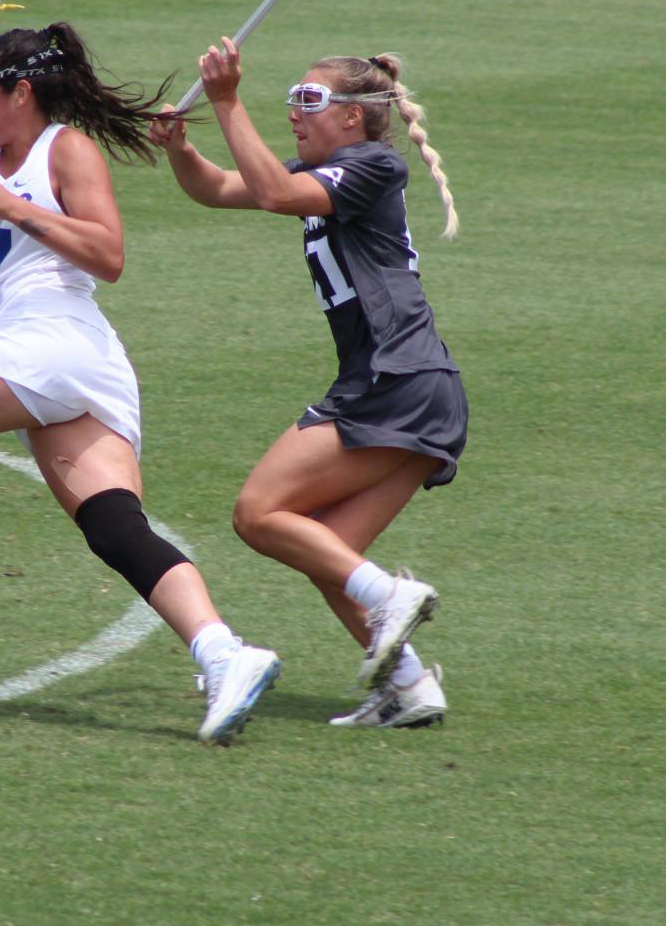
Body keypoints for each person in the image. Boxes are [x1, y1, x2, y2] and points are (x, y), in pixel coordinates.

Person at [0, 23, 282, 744]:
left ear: (23, 90)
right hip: (55, 363)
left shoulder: (65, 149)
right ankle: (226, 653)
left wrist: (10, 204)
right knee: (115, 528)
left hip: (53, 343)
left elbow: (108, 254)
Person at [151, 36, 465, 730]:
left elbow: (272, 191)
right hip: (416, 384)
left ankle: (389, 596)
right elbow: (220, 188)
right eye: (291, 99)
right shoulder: (327, 170)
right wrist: (180, 147)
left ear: (353, 116)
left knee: (258, 513)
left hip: (395, 377)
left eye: (309, 100)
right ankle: (411, 688)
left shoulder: (374, 166)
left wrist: (227, 100)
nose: (294, 112)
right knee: (326, 551)